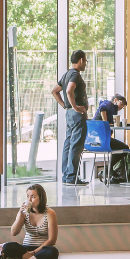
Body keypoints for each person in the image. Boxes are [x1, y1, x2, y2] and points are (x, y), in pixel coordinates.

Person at [53, 50, 90, 185]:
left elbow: (55, 91)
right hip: (77, 115)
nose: (85, 64)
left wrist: (66, 106)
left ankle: (67, 175)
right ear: (80, 60)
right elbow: (69, 90)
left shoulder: (66, 74)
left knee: (68, 144)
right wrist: (75, 107)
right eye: (85, 61)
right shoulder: (75, 74)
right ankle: (72, 176)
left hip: (69, 114)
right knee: (76, 145)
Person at [2, 184, 60, 259]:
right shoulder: (25, 212)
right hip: (26, 249)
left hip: (42, 249)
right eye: (27, 196)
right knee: (7, 247)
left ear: (41, 198)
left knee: (53, 252)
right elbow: (14, 232)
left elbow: (52, 240)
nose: (29, 200)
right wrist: (20, 214)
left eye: (33, 197)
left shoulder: (50, 213)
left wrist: (34, 252)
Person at [95, 94, 130, 182]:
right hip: (101, 139)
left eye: (123, 106)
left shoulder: (113, 110)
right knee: (124, 148)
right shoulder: (108, 104)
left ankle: (109, 171)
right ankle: (108, 170)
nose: (122, 106)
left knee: (119, 147)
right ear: (115, 100)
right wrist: (106, 123)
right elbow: (102, 109)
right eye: (121, 103)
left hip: (96, 139)